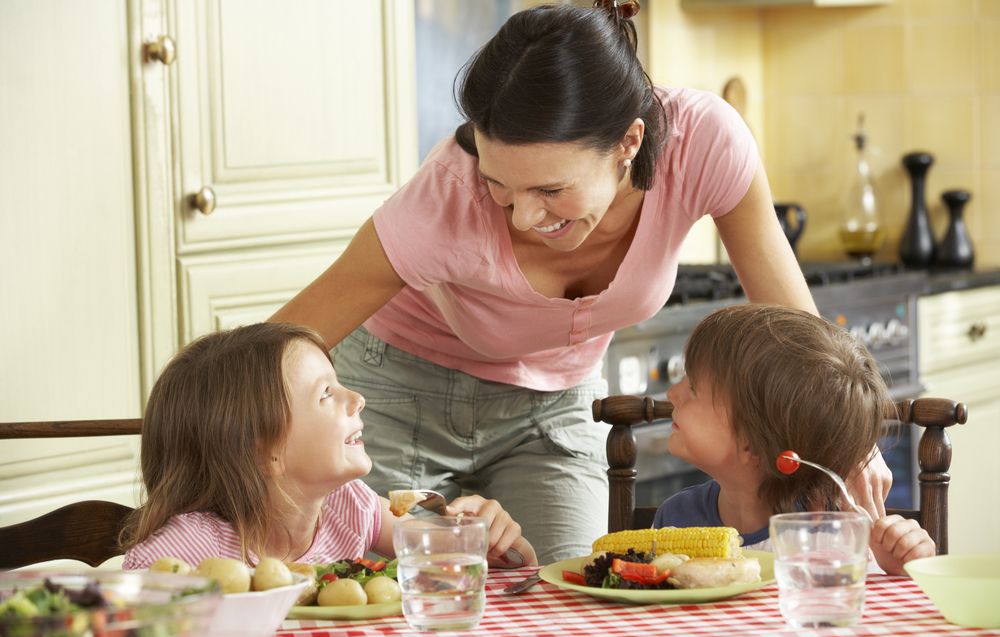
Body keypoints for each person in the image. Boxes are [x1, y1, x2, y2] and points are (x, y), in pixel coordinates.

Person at [270, 2, 889, 563]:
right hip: (402, 394)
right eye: (499, 186)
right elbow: (277, 348)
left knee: (578, 594)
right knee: (404, 602)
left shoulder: (705, 144)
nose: (522, 218)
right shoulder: (445, 200)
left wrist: (850, 443)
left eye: (550, 190)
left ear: (629, 142)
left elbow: (801, 336)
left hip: (555, 406)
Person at [121, 322, 536, 569]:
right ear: (267, 452)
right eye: (326, 394)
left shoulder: (348, 503)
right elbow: (132, 618)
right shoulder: (192, 547)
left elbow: (466, 555)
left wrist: (488, 535)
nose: (357, 399)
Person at [653, 304, 934, 575]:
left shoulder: (836, 531)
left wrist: (899, 566)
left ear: (752, 443)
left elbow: (874, 612)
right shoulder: (676, 518)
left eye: (692, 387)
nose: (672, 393)